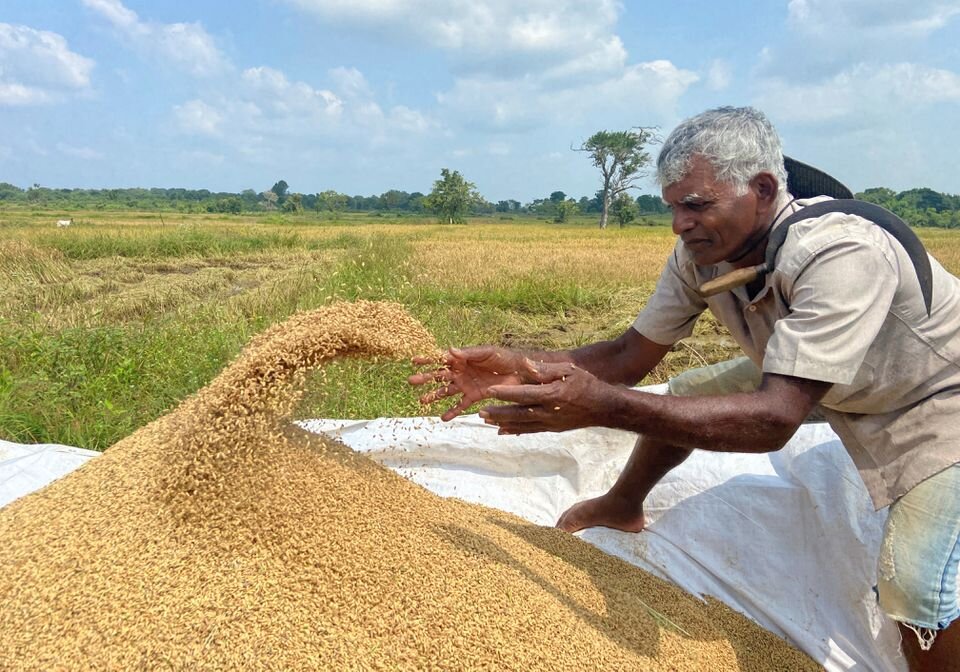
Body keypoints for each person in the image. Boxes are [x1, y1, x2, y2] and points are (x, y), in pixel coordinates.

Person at [408, 106, 960, 671]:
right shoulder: (701, 256)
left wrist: (601, 406)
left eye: (696, 205)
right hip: (826, 371)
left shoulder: (841, 252)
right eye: (673, 206)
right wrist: (523, 364)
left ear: (763, 189)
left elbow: (775, 419)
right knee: (689, 392)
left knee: (914, 586)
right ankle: (623, 505)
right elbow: (627, 356)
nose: (678, 224)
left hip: (935, 395)